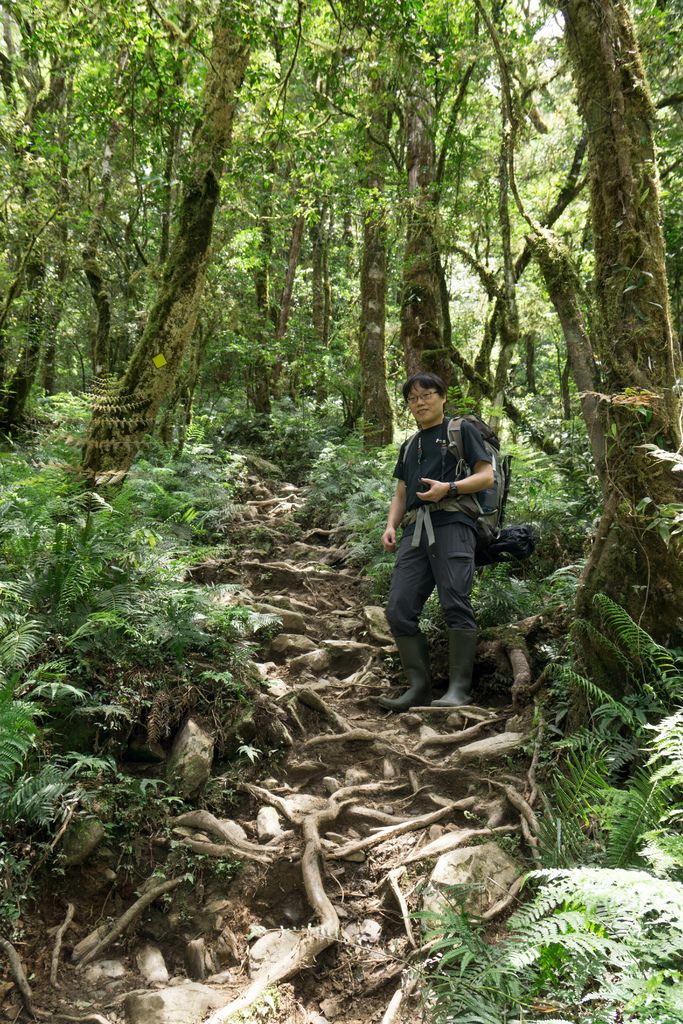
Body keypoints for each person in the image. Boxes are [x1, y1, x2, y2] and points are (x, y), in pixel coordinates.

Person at [379, 373, 494, 710]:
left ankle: (459, 690)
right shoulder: (410, 444)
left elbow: (486, 475)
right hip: (414, 531)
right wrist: (390, 526)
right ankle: (419, 688)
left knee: (455, 601)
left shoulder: (460, 431)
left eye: (427, 394)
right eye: (413, 398)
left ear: (442, 397)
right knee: (398, 609)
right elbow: (401, 493)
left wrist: (450, 488)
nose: (420, 402)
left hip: (453, 522)